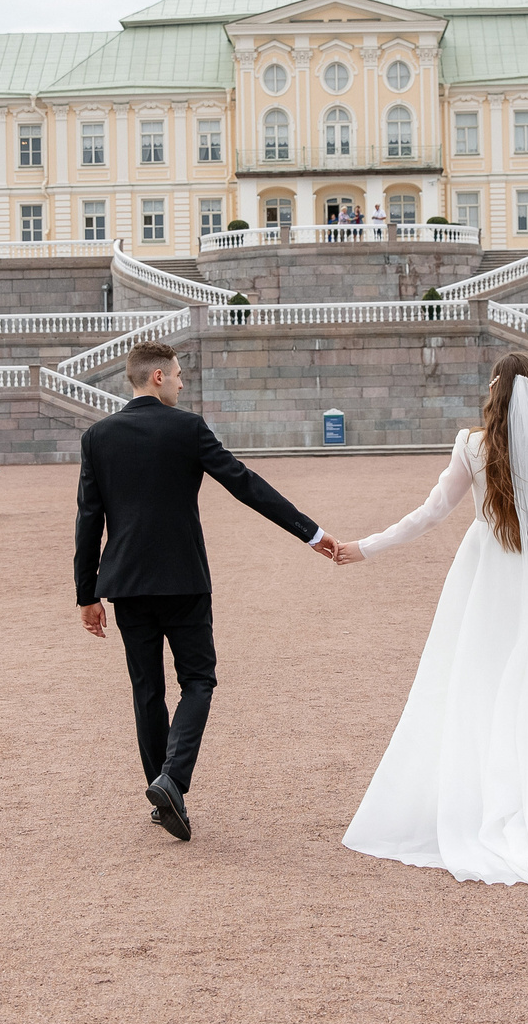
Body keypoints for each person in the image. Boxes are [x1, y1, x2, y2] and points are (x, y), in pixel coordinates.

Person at [328, 351, 528, 890]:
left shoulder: (472, 445)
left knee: (476, 683)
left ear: (495, 391)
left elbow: (429, 515)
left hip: (488, 579)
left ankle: (482, 797)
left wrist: (366, 547)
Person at [75, 340, 340, 842]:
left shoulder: (98, 437)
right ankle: (172, 780)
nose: (180, 381)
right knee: (198, 681)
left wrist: (85, 594)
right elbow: (245, 484)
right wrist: (310, 532)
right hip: (183, 581)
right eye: (176, 375)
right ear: (156, 378)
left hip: (127, 585)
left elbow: (89, 520)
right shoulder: (187, 428)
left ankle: (161, 790)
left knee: (147, 689)